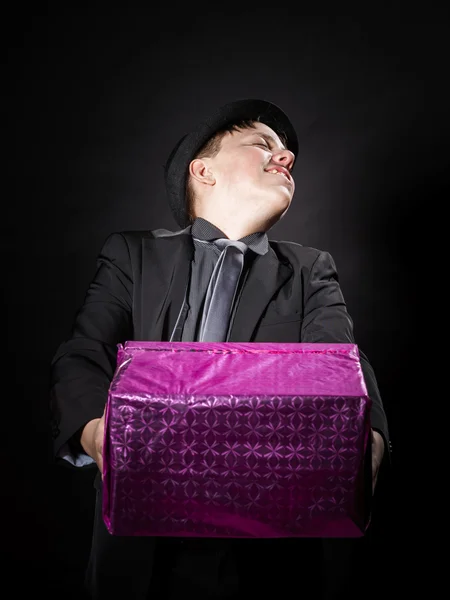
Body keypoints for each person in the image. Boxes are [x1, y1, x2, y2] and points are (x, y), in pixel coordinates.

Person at [50, 98, 391, 599]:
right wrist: (99, 436)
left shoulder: (309, 269)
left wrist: (370, 441)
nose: (286, 157)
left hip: (269, 553)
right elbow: (84, 353)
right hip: (140, 551)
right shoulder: (133, 253)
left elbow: (340, 366)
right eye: (263, 143)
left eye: (287, 150)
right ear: (203, 170)